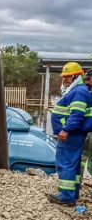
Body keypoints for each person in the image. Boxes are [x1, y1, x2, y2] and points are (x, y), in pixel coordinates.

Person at [48, 62, 91, 206]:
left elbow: (76, 115)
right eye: (64, 77)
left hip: (71, 134)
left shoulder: (79, 91)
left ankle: (66, 196)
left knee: (66, 163)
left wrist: (65, 129)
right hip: (74, 133)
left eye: (68, 77)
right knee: (73, 163)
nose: (65, 79)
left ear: (77, 76)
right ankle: (73, 192)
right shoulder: (78, 90)